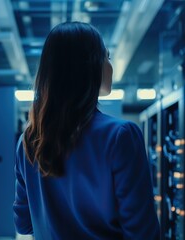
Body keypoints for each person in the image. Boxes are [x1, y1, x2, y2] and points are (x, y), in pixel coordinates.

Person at [13, 22, 160, 240]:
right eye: (107, 57)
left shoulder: (30, 140)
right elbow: (142, 233)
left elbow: (23, 223)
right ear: (90, 65)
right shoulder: (121, 135)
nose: (110, 65)